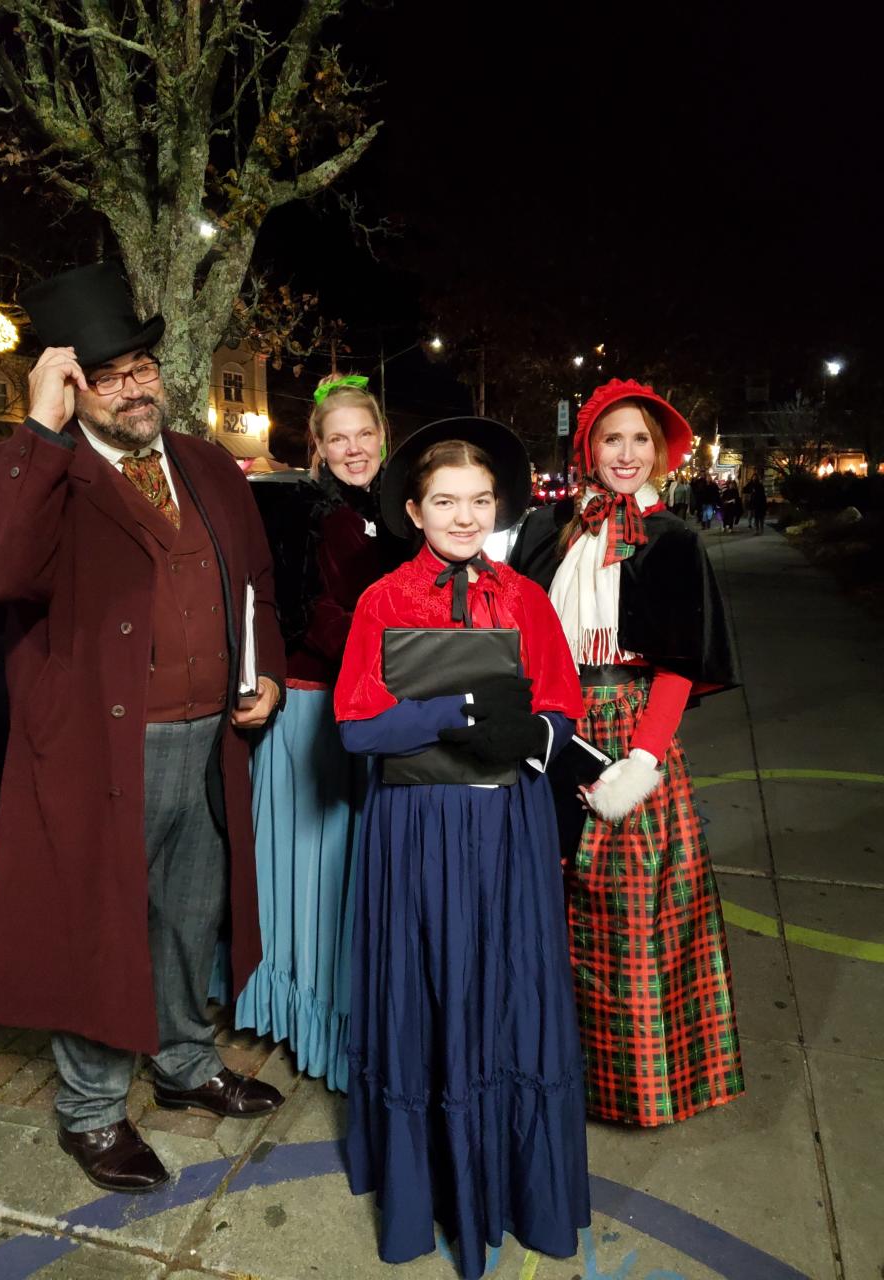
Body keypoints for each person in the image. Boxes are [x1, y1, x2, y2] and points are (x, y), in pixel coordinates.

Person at [0, 262, 286, 1194]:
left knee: (188, 918)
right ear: (66, 384)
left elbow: (253, 584)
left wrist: (270, 673)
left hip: (210, 739)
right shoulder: (25, 472)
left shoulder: (211, 464)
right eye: (107, 372)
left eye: (142, 365)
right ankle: (93, 1114)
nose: (135, 385)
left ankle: (183, 1067)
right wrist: (38, 431)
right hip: (101, 753)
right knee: (99, 930)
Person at [334, 418, 590, 1280]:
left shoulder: (524, 598)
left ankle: (512, 1185)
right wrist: (456, 714)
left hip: (504, 824)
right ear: (414, 508)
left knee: (504, 983)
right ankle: (430, 1187)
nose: (464, 515)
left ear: (499, 507)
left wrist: (535, 729)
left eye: (479, 501)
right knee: (426, 986)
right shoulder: (382, 603)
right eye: (445, 501)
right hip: (416, 828)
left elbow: (560, 712)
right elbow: (356, 728)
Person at [509, 378, 743, 1127]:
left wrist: (641, 761)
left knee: (632, 912)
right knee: (550, 904)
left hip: (629, 727)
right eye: (613, 438)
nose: (627, 453)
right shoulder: (552, 529)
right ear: (588, 449)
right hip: (553, 719)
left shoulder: (673, 541)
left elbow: (678, 663)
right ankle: (551, 1072)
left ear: (661, 452)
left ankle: (636, 1087)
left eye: (641, 439)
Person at [226, 373, 406, 1091]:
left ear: (383, 437)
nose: (354, 448)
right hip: (315, 708)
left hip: (379, 710)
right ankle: (311, 1021)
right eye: (339, 438)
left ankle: (353, 1006)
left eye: (365, 435)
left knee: (356, 870)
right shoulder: (301, 509)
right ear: (319, 448)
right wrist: (389, 655)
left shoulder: (402, 507)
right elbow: (301, 611)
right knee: (314, 867)